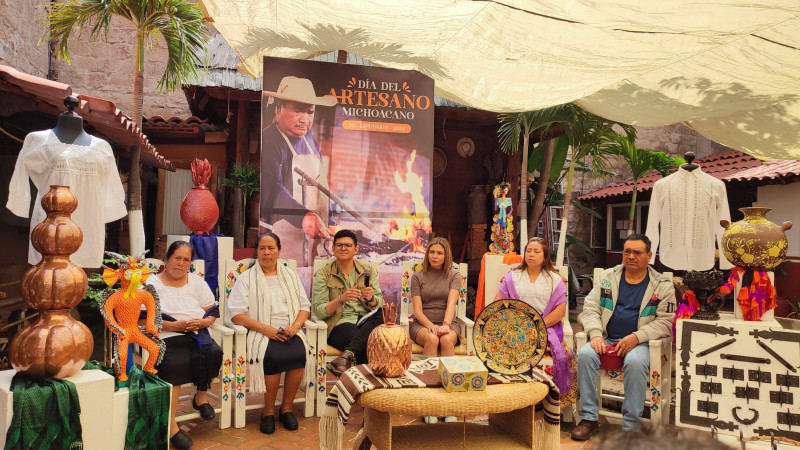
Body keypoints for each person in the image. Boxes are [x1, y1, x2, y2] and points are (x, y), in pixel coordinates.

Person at [571, 234, 675, 441]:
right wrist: (596, 334)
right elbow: (590, 308)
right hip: (607, 338)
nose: (631, 256)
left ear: (649, 256)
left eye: (637, 252)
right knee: (584, 355)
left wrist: (637, 337)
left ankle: (631, 427)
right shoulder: (608, 277)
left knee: (635, 362)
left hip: (642, 342)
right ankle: (589, 418)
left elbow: (665, 322)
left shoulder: (662, 285)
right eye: (627, 251)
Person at [226, 232, 315, 435]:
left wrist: (296, 326)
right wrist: (265, 329)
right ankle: (267, 412)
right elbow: (237, 315)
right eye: (262, 248)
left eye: (271, 248)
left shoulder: (290, 275)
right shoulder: (247, 278)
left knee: (299, 353)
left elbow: (304, 306)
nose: (266, 252)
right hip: (260, 330)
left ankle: (286, 409)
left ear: (279, 251)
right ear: (257, 252)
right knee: (273, 355)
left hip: (289, 328)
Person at [145, 241, 223, 450]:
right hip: (167, 335)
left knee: (214, 353)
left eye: (186, 260)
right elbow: (143, 319)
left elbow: (212, 311)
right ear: (166, 259)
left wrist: (205, 322)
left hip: (197, 332)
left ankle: (200, 397)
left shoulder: (196, 282)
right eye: (177, 258)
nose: (181, 263)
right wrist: (173, 325)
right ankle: (172, 428)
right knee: (175, 364)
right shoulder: (152, 284)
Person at [260, 76, 336, 263]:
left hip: (313, 238)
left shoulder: (309, 141)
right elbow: (273, 187)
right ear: (279, 108)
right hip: (282, 236)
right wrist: (304, 216)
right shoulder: (269, 140)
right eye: (298, 111)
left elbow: (322, 185)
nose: (305, 119)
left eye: (310, 112)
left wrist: (331, 221)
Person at [494, 237, 577, 408]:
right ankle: (514, 401)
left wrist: (536, 325)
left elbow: (560, 311)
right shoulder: (513, 277)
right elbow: (498, 304)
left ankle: (543, 402)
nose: (531, 254)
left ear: (545, 256)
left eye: (536, 251)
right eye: (528, 250)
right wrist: (518, 325)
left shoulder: (554, 279)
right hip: (516, 327)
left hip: (546, 327)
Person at [312, 229, 384, 376]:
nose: (343, 248)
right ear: (333, 248)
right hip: (339, 324)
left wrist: (371, 299)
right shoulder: (323, 274)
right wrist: (341, 299)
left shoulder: (367, 270)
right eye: (339, 245)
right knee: (367, 343)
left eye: (348, 245)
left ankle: (346, 356)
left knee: (383, 313)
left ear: (356, 249)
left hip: (365, 321)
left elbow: (378, 302)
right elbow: (319, 310)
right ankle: (367, 385)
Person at [409, 237, 461, 424]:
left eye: (439, 253)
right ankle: (429, 404)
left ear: (446, 256)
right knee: (432, 339)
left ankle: (450, 405)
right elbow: (417, 311)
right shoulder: (417, 276)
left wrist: (446, 324)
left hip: (448, 321)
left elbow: (451, 303)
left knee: (446, 339)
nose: (435, 256)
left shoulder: (454, 275)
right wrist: (431, 325)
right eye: (432, 252)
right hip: (422, 324)